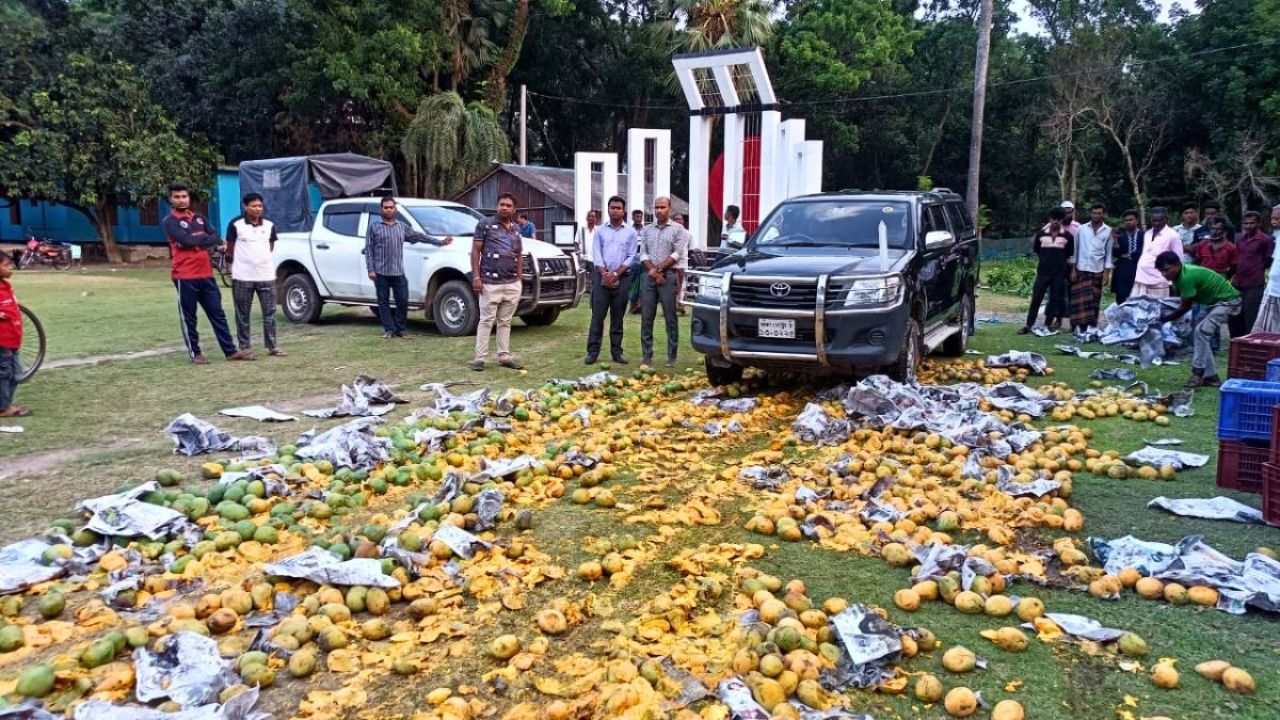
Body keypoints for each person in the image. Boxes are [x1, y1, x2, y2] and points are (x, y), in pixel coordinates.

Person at [163, 183, 245, 364]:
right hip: (184, 276)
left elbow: (215, 236)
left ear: (188, 198)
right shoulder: (170, 221)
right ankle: (196, 353)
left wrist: (196, 242)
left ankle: (230, 351)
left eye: (184, 196)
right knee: (189, 317)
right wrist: (202, 240)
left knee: (217, 313)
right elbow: (184, 239)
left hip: (206, 274)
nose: (181, 200)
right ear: (171, 199)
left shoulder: (199, 218)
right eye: (177, 197)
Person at [366, 196, 452, 340]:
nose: (388, 210)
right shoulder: (374, 227)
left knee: (402, 300)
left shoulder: (401, 227)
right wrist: (371, 269)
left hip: (398, 272)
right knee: (383, 302)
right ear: (381, 209)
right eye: (385, 207)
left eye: (391, 207)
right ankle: (388, 330)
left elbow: (419, 236)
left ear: (395, 209)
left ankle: (400, 329)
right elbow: (369, 249)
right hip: (380, 272)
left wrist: (440, 242)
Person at [1155, 252, 1241, 388]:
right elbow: (1181, 301)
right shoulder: (1178, 278)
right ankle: (1211, 377)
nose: (1164, 274)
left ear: (1177, 265)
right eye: (1161, 271)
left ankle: (1197, 372)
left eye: (1167, 270)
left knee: (1201, 332)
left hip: (1227, 302)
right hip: (1212, 304)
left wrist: (1164, 319)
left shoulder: (1186, 277)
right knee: (1196, 333)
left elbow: (1184, 307)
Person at [225, 193, 284, 359]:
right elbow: (230, 249)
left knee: (270, 311)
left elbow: (270, 247)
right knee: (243, 313)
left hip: (266, 274)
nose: (257, 209)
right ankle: (245, 348)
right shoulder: (236, 225)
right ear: (245, 207)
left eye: (259, 206)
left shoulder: (269, 225)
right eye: (253, 206)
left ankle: (272, 346)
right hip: (243, 276)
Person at [471, 192, 524, 372]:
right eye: (502, 204)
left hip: (511, 283)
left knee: (505, 321)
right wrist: (476, 277)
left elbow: (518, 253)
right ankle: (480, 358)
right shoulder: (485, 225)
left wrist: (519, 277)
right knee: (486, 320)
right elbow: (476, 251)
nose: (504, 207)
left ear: (514, 209)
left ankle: (504, 356)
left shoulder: (516, 228)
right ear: (497, 206)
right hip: (489, 282)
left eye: (508, 205)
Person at [585, 196, 638, 365]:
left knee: (617, 317)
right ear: (608, 210)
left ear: (624, 211)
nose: (615, 210)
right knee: (597, 316)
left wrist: (615, 274)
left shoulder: (631, 232)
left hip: (622, 279)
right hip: (601, 277)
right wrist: (605, 273)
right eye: (612, 207)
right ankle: (592, 352)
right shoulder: (599, 230)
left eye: (618, 208)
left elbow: (631, 256)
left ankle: (617, 352)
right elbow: (596, 253)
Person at [639, 197, 689, 366]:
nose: (659, 210)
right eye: (656, 207)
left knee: (670, 317)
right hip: (649, 277)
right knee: (646, 317)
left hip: (668, 277)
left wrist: (658, 270)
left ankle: (672, 356)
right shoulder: (646, 230)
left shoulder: (679, 229)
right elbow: (643, 254)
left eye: (662, 207)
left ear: (669, 208)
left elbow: (677, 254)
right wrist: (653, 272)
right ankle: (647, 355)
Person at [1020, 207, 1074, 334]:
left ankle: (1048, 324)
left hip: (1060, 273)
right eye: (1053, 218)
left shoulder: (1068, 236)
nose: (1055, 221)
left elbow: (1070, 256)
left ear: (1062, 220)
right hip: (1043, 272)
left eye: (1058, 219)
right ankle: (1028, 325)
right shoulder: (1041, 234)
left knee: (1055, 299)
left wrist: (1071, 271)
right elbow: (1037, 250)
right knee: (1036, 298)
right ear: (1049, 219)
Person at [1193, 217, 1238, 350]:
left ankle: (1214, 345)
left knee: (1215, 314)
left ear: (1224, 231)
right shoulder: (1202, 245)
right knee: (1199, 313)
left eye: (1218, 229)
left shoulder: (1230, 247)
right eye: (1212, 228)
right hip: (1202, 283)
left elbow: (1234, 267)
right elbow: (1197, 262)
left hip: (1219, 284)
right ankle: (1199, 342)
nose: (1214, 231)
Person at [1230, 210, 1276, 338]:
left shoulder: (1265, 240)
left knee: (1251, 316)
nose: (1248, 226)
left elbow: (1269, 261)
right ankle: (1237, 343)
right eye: (1245, 223)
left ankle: (1252, 343)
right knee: (1234, 315)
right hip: (1239, 283)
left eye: (1252, 223)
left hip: (1255, 284)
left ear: (1259, 224)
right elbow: (1237, 260)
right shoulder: (1240, 240)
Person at [1069, 203, 1113, 334]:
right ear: (1091, 214)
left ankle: (1092, 327)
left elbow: (1109, 254)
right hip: (1081, 269)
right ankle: (1078, 327)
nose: (1096, 215)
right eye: (1094, 213)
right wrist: (1072, 269)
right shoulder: (1081, 229)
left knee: (1094, 301)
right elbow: (1074, 250)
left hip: (1097, 270)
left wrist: (1107, 273)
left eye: (1099, 213)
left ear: (1103, 214)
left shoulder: (1108, 231)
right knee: (1079, 301)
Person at [1132, 207, 1183, 298]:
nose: (1156, 223)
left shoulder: (1173, 235)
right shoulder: (1148, 233)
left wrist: (1174, 282)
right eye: (1154, 220)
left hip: (1160, 282)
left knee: (1159, 310)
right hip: (1141, 279)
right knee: (1140, 309)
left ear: (1166, 220)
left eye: (1159, 220)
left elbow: (1179, 260)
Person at [0, 254, 28, 417]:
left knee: (15, 373)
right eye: (6, 265)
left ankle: (5, 403)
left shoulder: (6, 286)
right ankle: (3, 408)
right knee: (4, 373)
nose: (11, 267)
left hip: (13, 338)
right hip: (1, 340)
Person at [1251, 204, 1280, 333]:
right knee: (1269, 332)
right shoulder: (1278, 235)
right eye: (1272, 218)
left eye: (1277, 219)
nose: (1273, 222)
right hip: (1273, 289)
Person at [1111, 210, 1144, 303]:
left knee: (1138, 296)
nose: (1128, 222)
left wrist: (1129, 255)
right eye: (1126, 220)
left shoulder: (1144, 235)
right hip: (1122, 269)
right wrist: (1115, 240)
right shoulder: (1121, 236)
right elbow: (1115, 253)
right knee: (1121, 296)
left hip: (1139, 268)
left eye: (1131, 220)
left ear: (1137, 220)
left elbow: (1144, 251)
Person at [628, 209, 646, 315]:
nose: (638, 219)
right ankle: (632, 305)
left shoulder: (646, 230)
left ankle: (640, 305)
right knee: (633, 283)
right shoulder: (629, 230)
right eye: (636, 217)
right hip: (632, 261)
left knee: (642, 283)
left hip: (643, 261)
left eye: (640, 217)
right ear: (633, 218)